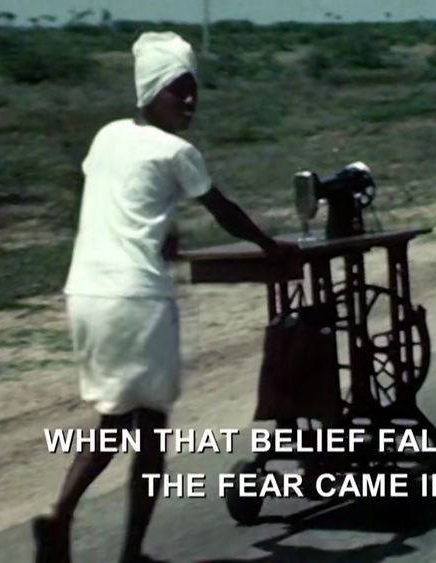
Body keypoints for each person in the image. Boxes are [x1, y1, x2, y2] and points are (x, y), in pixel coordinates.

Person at [33, 31, 297, 563]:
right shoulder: (178, 150)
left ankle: (65, 519)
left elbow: (122, 198)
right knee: (150, 429)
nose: (190, 100)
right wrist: (270, 245)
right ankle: (124, 549)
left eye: (193, 89)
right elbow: (222, 209)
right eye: (179, 90)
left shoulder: (107, 137)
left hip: (86, 293)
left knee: (114, 419)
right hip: (136, 298)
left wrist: (159, 235)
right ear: (151, 92)